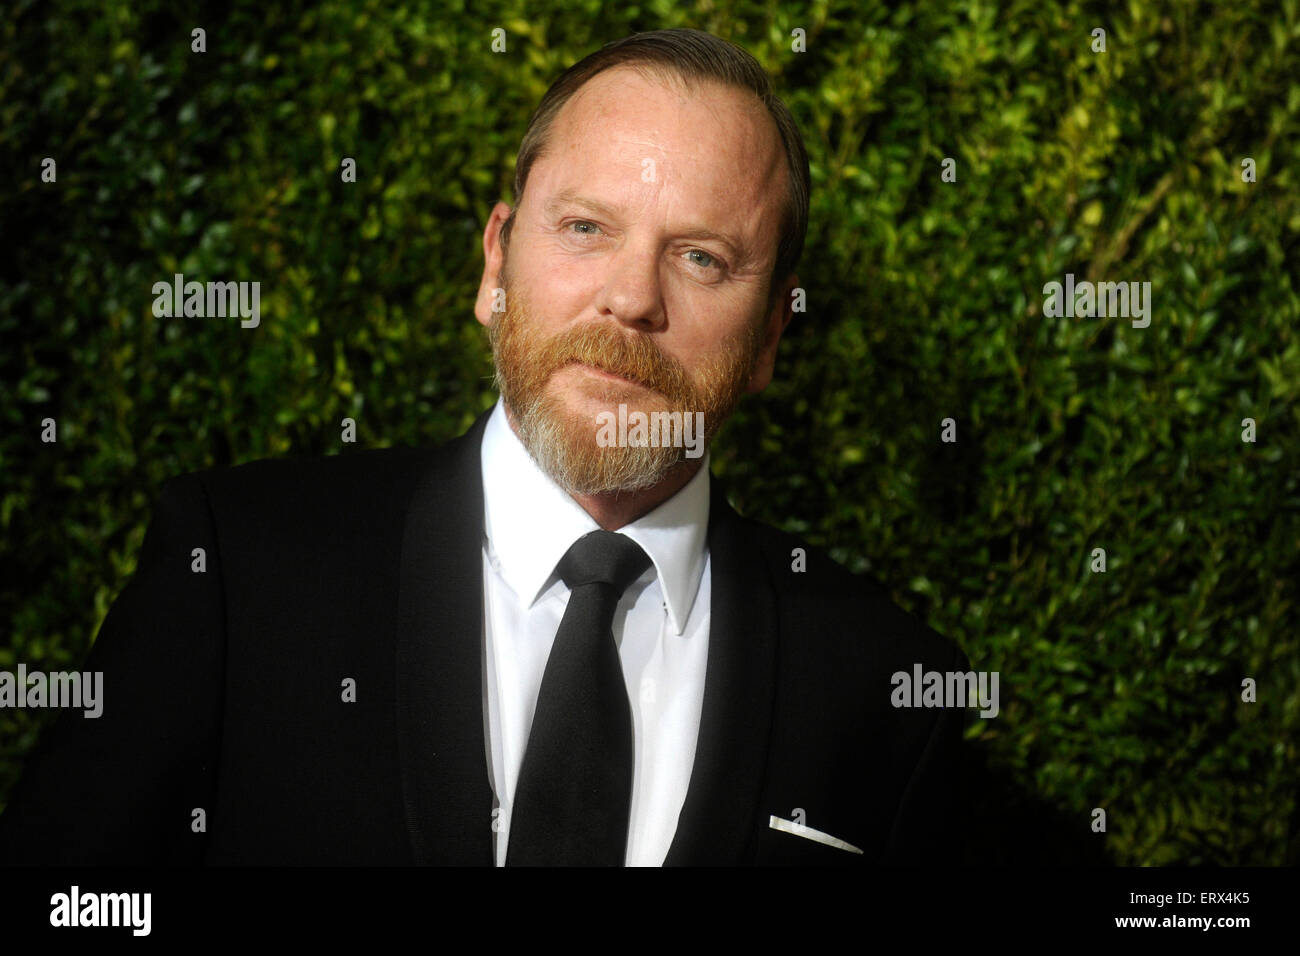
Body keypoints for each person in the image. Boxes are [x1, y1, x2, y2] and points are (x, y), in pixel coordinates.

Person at [0, 27, 968, 866]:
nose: (632, 298)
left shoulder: (878, 680)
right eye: (586, 227)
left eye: (702, 257)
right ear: (495, 263)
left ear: (767, 337)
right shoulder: (240, 566)